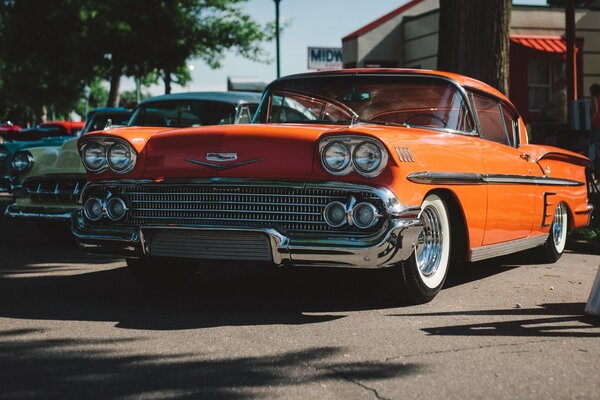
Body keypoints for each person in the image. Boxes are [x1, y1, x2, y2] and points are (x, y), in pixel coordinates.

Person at [590, 83, 600, 172]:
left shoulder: (594, 98)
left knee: (595, 147)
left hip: (596, 124)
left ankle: (595, 170)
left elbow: (595, 110)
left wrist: (590, 120)